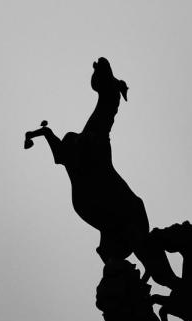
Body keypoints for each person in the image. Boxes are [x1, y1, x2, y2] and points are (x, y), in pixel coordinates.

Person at [24, 58, 178, 288]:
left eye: (70, 136)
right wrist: (40, 134)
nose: (69, 135)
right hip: (99, 201)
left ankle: (159, 276)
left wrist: (39, 134)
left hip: (105, 200)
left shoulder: (84, 144)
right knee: (101, 118)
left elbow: (103, 110)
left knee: (102, 117)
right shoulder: (76, 151)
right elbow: (64, 140)